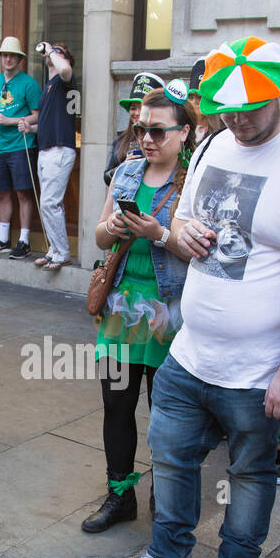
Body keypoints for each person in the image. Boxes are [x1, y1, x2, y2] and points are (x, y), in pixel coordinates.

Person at [112, 38, 280, 558]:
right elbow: (183, 223)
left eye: (250, 108)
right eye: (226, 109)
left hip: (258, 370)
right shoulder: (215, 142)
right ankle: (169, 553)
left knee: (250, 473)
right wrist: (181, 233)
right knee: (170, 458)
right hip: (189, 355)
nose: (238, 121)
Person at [83, 84, 194, 533]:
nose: (148, 139)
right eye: (141, 129)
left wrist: (158, 233)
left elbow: (199, 252)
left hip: (172, 311)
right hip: (122, 309)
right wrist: (112, 226)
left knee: (165, 411)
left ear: (184, 133)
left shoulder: (195, 180)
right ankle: (119, 495)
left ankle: (163, 498)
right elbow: (99, 237)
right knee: (116, 405)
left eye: (159, 131)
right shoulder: (126, 174)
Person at [0, 37, 40, 259]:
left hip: (21, 146)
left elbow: (36, 116)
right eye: (5, 55)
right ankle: (3, 239)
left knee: (23, 193)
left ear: (19, 59)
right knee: (2, 193)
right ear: (1, 58)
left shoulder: (29, 84)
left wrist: (10, 120)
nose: (8, 59)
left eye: (13, 55)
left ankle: (24, 241)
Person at [23, 41, 77, 270]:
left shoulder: (65, 79)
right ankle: (54, 249)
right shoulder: (49, 87)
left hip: (59, 149)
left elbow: (65, 69)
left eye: (59, 51)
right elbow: (47, 123)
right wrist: (30, 128)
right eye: (52, 50)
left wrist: (51, 51)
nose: (52, 53)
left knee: (49, 202)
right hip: (47, 148)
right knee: (50, 204)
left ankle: (62, 252)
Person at [105, 72, 161, 185]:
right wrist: (123, 167)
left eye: (140, 108)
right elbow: (106, 177)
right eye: (133, 108)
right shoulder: (119, 139)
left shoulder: (160, 139)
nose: (136, 113)